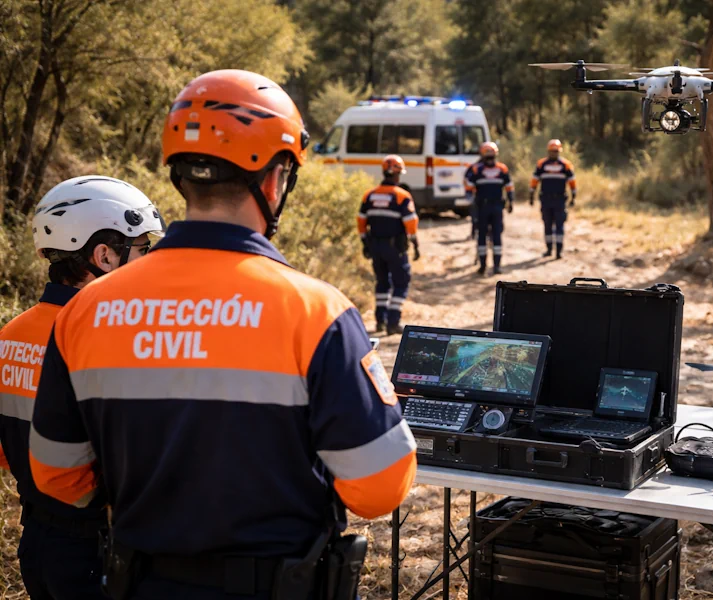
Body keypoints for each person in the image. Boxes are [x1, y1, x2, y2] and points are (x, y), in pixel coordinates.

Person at [29, 69, 417, 600]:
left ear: (179, 175)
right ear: (278, 176)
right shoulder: (316, 311)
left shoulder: (83, 312)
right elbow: (380, 488)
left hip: (137, 584)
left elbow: (56, 475)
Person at [0, 176, 163, 600]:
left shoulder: (10, 336)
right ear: (104, 255)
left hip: (35, 545)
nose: (147, 264)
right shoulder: (106, 339)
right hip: (97, 552)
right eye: (141, 250)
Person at [357, 154, 420, 335]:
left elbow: (361, 222)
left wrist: (365, 243)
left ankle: (380, 321)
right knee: (401, 281)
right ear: (398, 174)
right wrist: (416, 244)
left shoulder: (369, 195)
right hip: (395, 248)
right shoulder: (402, 196)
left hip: (375, 247)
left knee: (382, 282)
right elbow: (411, 224)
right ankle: (393, 322)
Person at [465, 142, 514, 275]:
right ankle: (483, 265)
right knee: (482, 236)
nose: (490, 158)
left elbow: (509, 186)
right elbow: (468, 186)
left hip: (497, 207)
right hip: (482, 207)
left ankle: (497, 266)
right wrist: (470, 201)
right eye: (488, 156)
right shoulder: (476, 169)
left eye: (492, 156)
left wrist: (511, 201)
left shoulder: (502, 169)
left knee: (497, 235)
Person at [529, 139, 576, 259]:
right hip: (546, 199)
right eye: (552, 151)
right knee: (547, 224)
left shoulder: (566, 165)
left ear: (559, 151)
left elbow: (572, 182)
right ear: (548, 151)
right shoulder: (541, 164)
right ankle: (549, 249)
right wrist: (531, 194)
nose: (554, 153)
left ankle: (559, 251)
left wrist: (573, 196)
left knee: (560, 225)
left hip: (560, 200)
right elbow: (535, 180)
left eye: (556, 151)